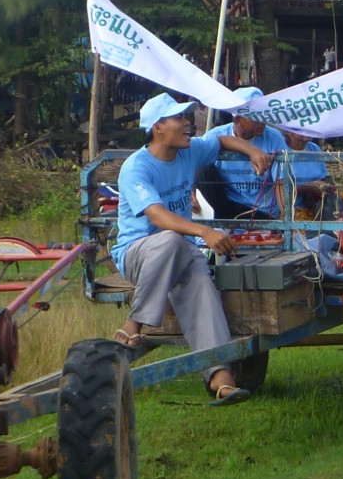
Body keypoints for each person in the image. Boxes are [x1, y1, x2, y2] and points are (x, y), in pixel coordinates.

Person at [112, 93, 272, 405]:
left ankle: (221, 378)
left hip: (181, 251)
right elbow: (157, 216)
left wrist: (252, 150)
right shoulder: (137, 168)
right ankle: (136, 323)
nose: (188, 124)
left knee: (202, 282)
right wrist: (204, 231)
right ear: (158, 127)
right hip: (137, 255)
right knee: (172, 239)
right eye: (180, 119)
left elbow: (224, 141)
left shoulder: (188, 152)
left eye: (188, 117)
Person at [204, 87, 288, 219]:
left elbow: (281, 182)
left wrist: (286, 218)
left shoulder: (274, 138)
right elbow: (193, 163)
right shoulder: (215, 135)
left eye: (264, 114)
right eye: (256, 117)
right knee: (204, 168)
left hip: (263, 213)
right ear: (238, 120)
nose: (262, 121)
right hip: (227, 209)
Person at [277, 128, 335, 219]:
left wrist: (322, 187)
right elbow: (279, 191)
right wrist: (307, 188)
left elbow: (323, 178)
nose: (307, 129)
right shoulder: (281, 149)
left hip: (314, 209)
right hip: (290, 212)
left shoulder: (314, 148)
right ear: (289, 132)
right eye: (301, 128)